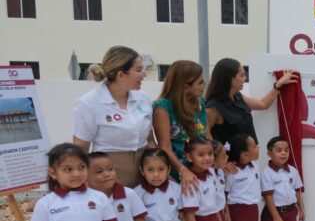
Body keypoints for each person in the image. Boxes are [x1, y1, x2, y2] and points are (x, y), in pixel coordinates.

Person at [73, 46, 154, 187]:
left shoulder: (144, 99)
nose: (144, 74)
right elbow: (81, 149)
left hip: (143, 175)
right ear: (121, 74)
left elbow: (150, 140)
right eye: (139, 70)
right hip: (108, 177)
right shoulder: (89, 103)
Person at [205, 58, 297, 146]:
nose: (245, 78)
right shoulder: (213, 107)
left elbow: (263, 104)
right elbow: (206, 137)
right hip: (229, 161)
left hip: (247, 159)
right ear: (230, 79)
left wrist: (278, 84)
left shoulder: (238, 96)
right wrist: (219, 158)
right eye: (241, 75)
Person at [152, 60, 208, 190]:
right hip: (178, 172)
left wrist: (215, 158)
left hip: (202, 166)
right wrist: (183, 170)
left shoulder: (200, 103)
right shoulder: (163, 107)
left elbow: (207, 135)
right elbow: (164, 147)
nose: (204, 85)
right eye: (200, 82)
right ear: (186, 87)